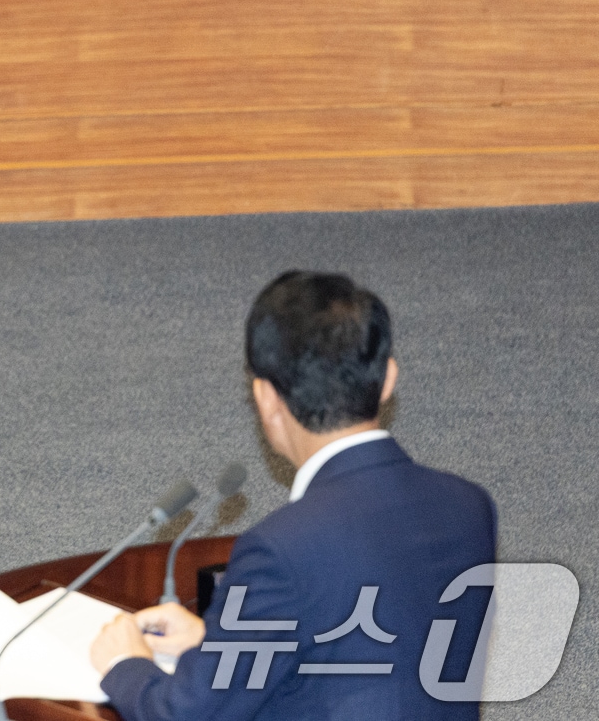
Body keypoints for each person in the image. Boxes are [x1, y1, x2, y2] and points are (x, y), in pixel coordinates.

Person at [91, 271, 496, 720]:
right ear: (387, 380)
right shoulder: (469, 507)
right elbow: (374, 636)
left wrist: (126, 664)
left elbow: (186, 714)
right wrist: (218, 643)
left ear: (265, 398)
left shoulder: (281, 549)